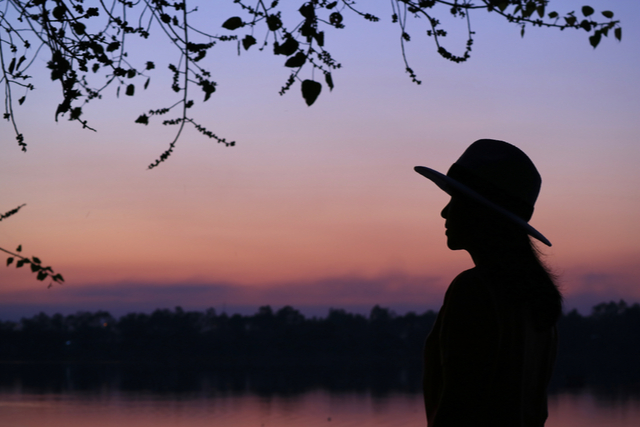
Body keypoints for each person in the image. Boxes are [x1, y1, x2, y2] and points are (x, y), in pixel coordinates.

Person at [414, 139, 562, 427]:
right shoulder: (538, 299)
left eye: (455, 200)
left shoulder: (475, 290)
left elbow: (458, 409)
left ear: (480, 214)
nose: (445, 213)